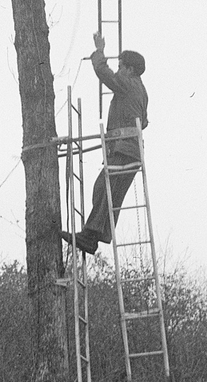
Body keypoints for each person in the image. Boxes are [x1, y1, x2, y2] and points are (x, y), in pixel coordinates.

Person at [61, 32, 148, 255]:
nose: (118, 70)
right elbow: (144, 121)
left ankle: (91, 235)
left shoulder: (128, 84)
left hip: (124, 150)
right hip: (129, 150)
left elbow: (104, 73)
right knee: (109, 192)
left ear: (129, 70)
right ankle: (97, 235)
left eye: (120, 66)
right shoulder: (139, 90)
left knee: (106, 189)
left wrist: (99, 52)